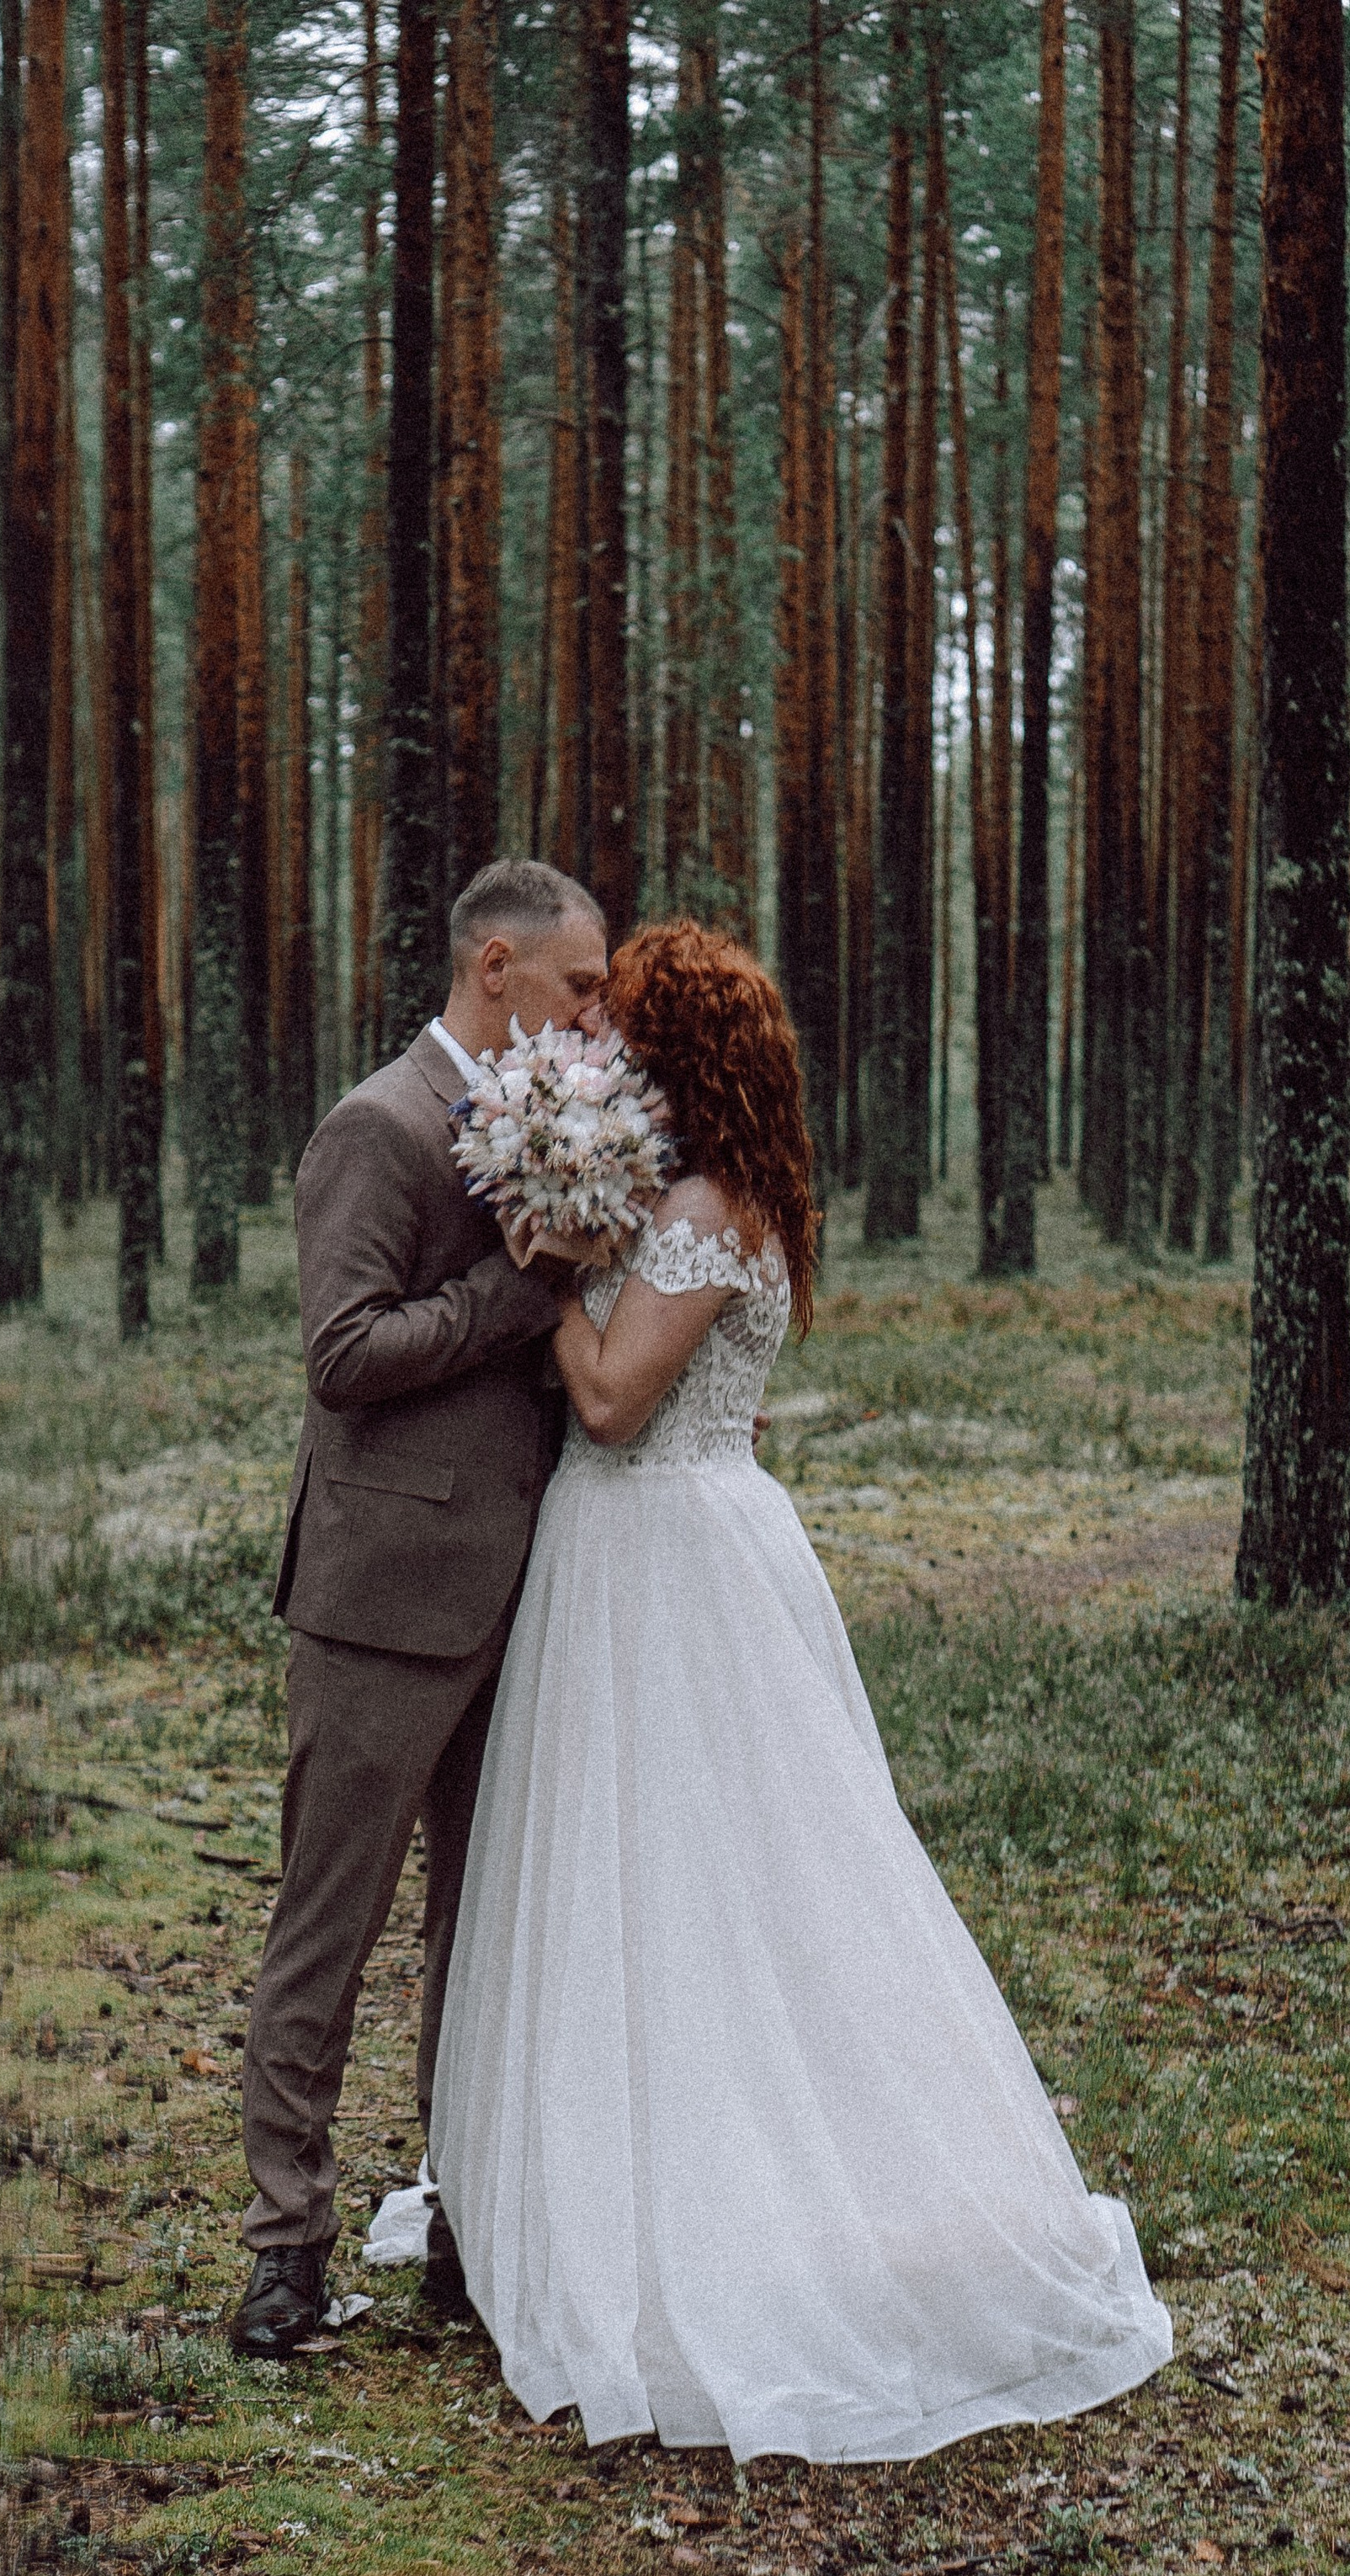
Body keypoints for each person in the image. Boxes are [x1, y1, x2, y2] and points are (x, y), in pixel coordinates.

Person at [428, 922, 1173, 2461]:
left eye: (630, 1027)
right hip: (677, 1546)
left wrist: (545, 1277)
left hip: (657, 1554)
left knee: (709, 1878)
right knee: (665, 1874)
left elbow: (620, 1403)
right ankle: (621, 2162)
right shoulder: (722, 1196)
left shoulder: (702, 1210)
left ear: (682, 1057)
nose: (607, 1046)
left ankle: (709, 2206)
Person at [234, 860, 609, 2355]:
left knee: (483, 1930)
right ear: (497, 966)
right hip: (382, 1601)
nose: (596, 1019)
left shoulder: (551, 1131)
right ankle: (285, 2251)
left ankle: (465, 2220)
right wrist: (519, 1299)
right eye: (579, 988)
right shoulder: (376, 1129)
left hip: (524, 1592)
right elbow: (343, 1352)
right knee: (330, 1924)